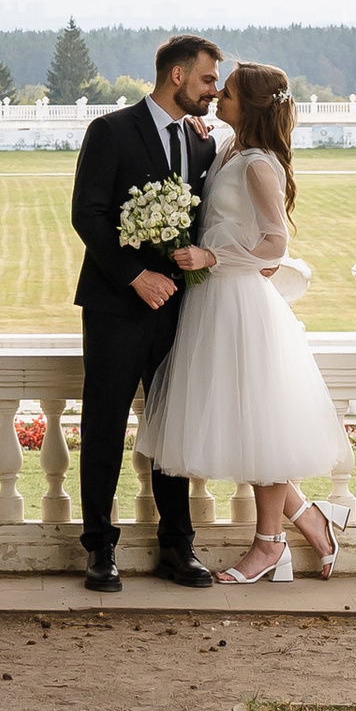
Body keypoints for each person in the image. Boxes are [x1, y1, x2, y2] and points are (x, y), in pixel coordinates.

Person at [135, 61, 344, 582]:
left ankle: (268, 544)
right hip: (211, 305)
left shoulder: (258, 164)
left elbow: (276, 245)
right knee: (242, 425)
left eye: (224, 93)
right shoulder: (228, 149)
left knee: (258, 423)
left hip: (239, 304)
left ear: (247, 105)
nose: (216, 97)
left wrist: (212, 258)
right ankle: (310, 519)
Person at [68, 35, 223, 592]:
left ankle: (177, 548)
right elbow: (87, 213)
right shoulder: (109, 131)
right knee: (104, 425)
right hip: (115, 306)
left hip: (181, 308)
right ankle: (99, 551)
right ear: (177, 76)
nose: (215, 90)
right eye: (207, 80)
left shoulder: (203, 144)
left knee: (171, 427)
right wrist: (135, 276)